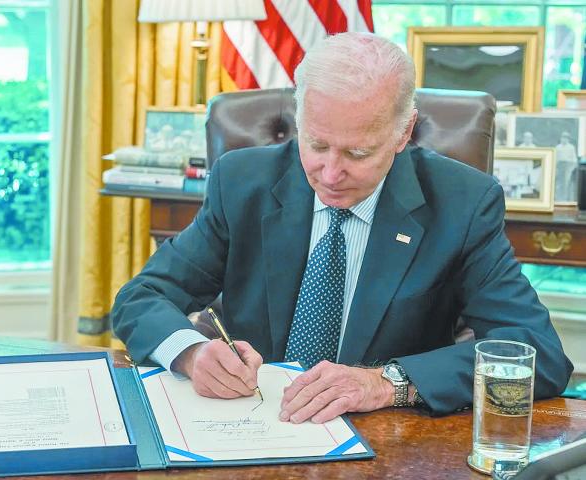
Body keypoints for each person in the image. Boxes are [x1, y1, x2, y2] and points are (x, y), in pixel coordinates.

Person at [111, 32, 572, 423]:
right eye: (316, 143)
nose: (329, 174)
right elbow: (142, 297)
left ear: (404, 132)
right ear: (300, 118)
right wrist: (191, 352)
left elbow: (538, 354)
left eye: (357, 153)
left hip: (385, 441)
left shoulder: (462, 203)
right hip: (252, 424)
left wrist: (386, 383)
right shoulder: (243, 182)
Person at [555, 131, 578, 202]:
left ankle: (566, 198)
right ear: (561, 138)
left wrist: (572, 167)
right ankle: (558, 198)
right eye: (563, 137)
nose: (564, 139)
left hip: (568, 166)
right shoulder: (558, 147)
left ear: (568, 139)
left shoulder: (571, 147)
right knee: (559, 183)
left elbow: (574, 159)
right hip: (559, 166)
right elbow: (555, 157)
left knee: (567, 182)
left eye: (566, 138)